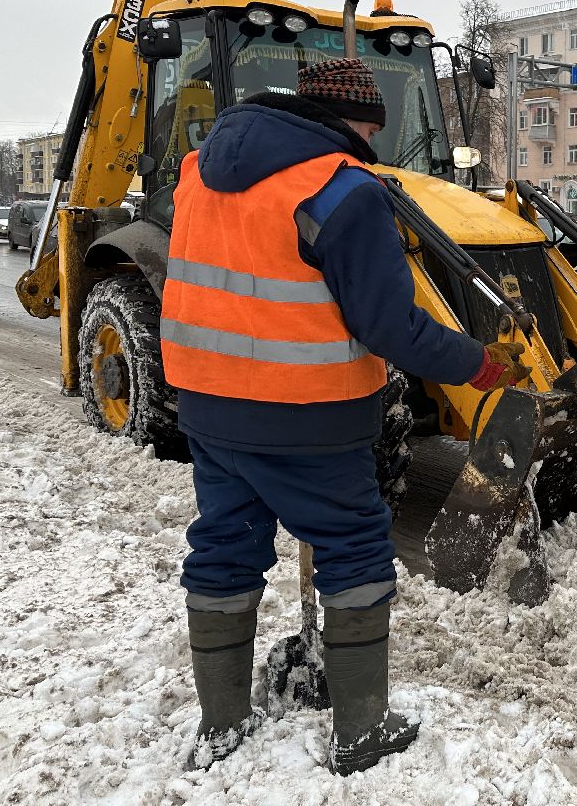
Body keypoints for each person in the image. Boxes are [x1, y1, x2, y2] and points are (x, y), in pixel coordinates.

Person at [159, 56, 528, 774]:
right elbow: (392, 326)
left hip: (206, 406)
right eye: (371, 128)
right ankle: (361, 731)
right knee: (354, 546)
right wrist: (479, 366)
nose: (371, 144)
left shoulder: (200, 172)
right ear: (355, 122)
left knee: (224, 546)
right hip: (308, 414)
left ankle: (223, 724)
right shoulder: (343, 188)